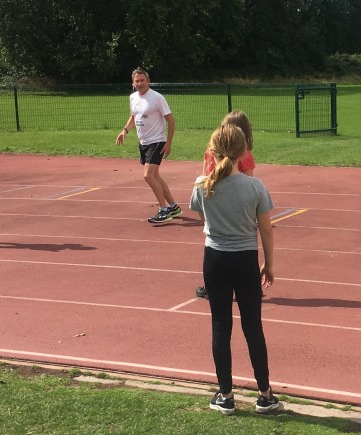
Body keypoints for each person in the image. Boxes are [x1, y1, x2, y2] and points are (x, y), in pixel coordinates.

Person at [190, 124, 282, 415]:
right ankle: (265, 394)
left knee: (220, 325)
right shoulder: (254, 186)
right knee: (253, 326)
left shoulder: (202, 185)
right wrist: (269, 263)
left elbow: (203, 216)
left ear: (213, 151)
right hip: (245, 260)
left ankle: (226, 395)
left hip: (215, 259)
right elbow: (266, 229)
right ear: (243, 152)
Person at [196, 111, 258, 299]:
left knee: (213, 246)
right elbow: (249, 183)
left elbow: (204, 177)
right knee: (241, 246)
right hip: (236, 207)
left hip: (214, 204)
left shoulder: (211, 151)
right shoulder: (245, 156)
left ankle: (211, 285)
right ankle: (244, 285)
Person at [115, 67, 182, 224]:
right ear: (133, 83)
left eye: (142, 80)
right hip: (144, 142)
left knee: (148, 176)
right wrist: (125, 130)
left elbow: (171, 121)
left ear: (148, 81)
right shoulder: (133, 97)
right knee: (155, 176)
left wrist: (168, 143)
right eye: (136, 81)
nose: (139, 83)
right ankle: (173, 206)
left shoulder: (157, 97)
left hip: (157, 141)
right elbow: (134, 117)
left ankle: (164, 210)